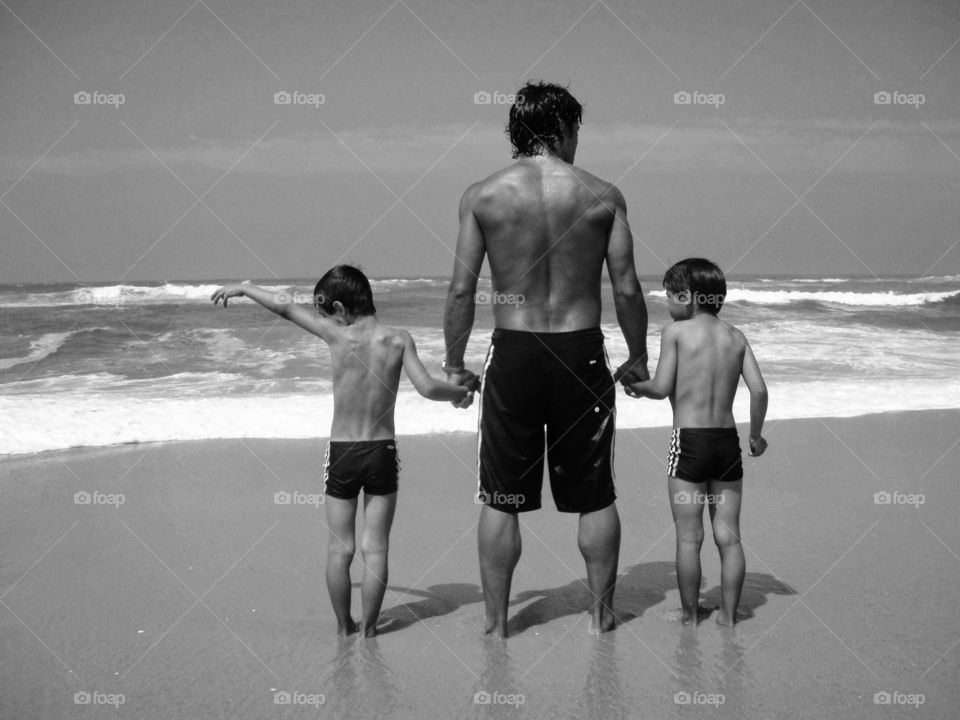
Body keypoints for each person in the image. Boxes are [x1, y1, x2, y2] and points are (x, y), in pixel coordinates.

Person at [442, 81, 650, 637]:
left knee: (501, 495)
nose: (578, 140)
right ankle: (602, 617)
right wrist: (638, 355)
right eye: (577, 129)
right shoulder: (604, 194)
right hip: (580, 355)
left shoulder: (482, 195)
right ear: (561, 129)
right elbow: (626, 287)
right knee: (595, 494)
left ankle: (495, 623)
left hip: (513, 354)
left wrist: (454, 364)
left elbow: (463, 291)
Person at [212, 266, 475, 637]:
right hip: (382, 452)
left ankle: (343, 627)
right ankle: (369, 629)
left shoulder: (337, 335)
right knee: (376, 549)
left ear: (340, 307)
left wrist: (245, 286)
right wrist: (461, 394)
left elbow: (285, 308)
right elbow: (429, 388)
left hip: (343, 453)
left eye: (323, 312)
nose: (321, 318)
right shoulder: (398, 339)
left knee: (340, 550)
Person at [623, 258, 768, 626]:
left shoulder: (676, 333)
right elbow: (759, 390)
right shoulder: (736, 337)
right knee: (729, 537)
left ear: (687, 297)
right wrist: (755, 435)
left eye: (670, 295)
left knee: (690, 538)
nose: (667, 302)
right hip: (727, 445)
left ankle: (690, 617)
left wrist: (632, 386)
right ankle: (729, 618)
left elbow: (659, 388)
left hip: (688, 444)